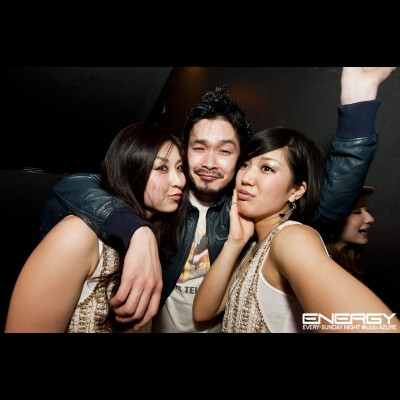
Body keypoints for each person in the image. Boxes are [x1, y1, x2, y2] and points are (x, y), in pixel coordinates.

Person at [46, 67, 396, 332]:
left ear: (241, 157)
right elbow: (79, 185)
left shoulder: (246, 209)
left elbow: (329, 200)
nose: (210, 162)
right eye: (199, 148)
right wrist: (136, 231)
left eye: (226, 151)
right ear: (185, 150)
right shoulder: (165, 198)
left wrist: (358, 105)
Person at [192, 127, 400, 333]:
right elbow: (202, 312)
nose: (246, 178)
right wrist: (234, 242)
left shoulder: (291, 238)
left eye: (267, 168)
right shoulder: (254, 244)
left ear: (296, 191)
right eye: (245, 165)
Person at [5, 122, 189, 333]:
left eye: (180, 168)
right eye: (162, 168)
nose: (179, 181)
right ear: (130, 169)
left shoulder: (155, 242)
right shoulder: (76, 235)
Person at [321, 185, 375, 281]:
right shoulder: (314, 264)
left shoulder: (345, 262)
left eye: (367, 211)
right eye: (357, 212)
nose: (370, 219)